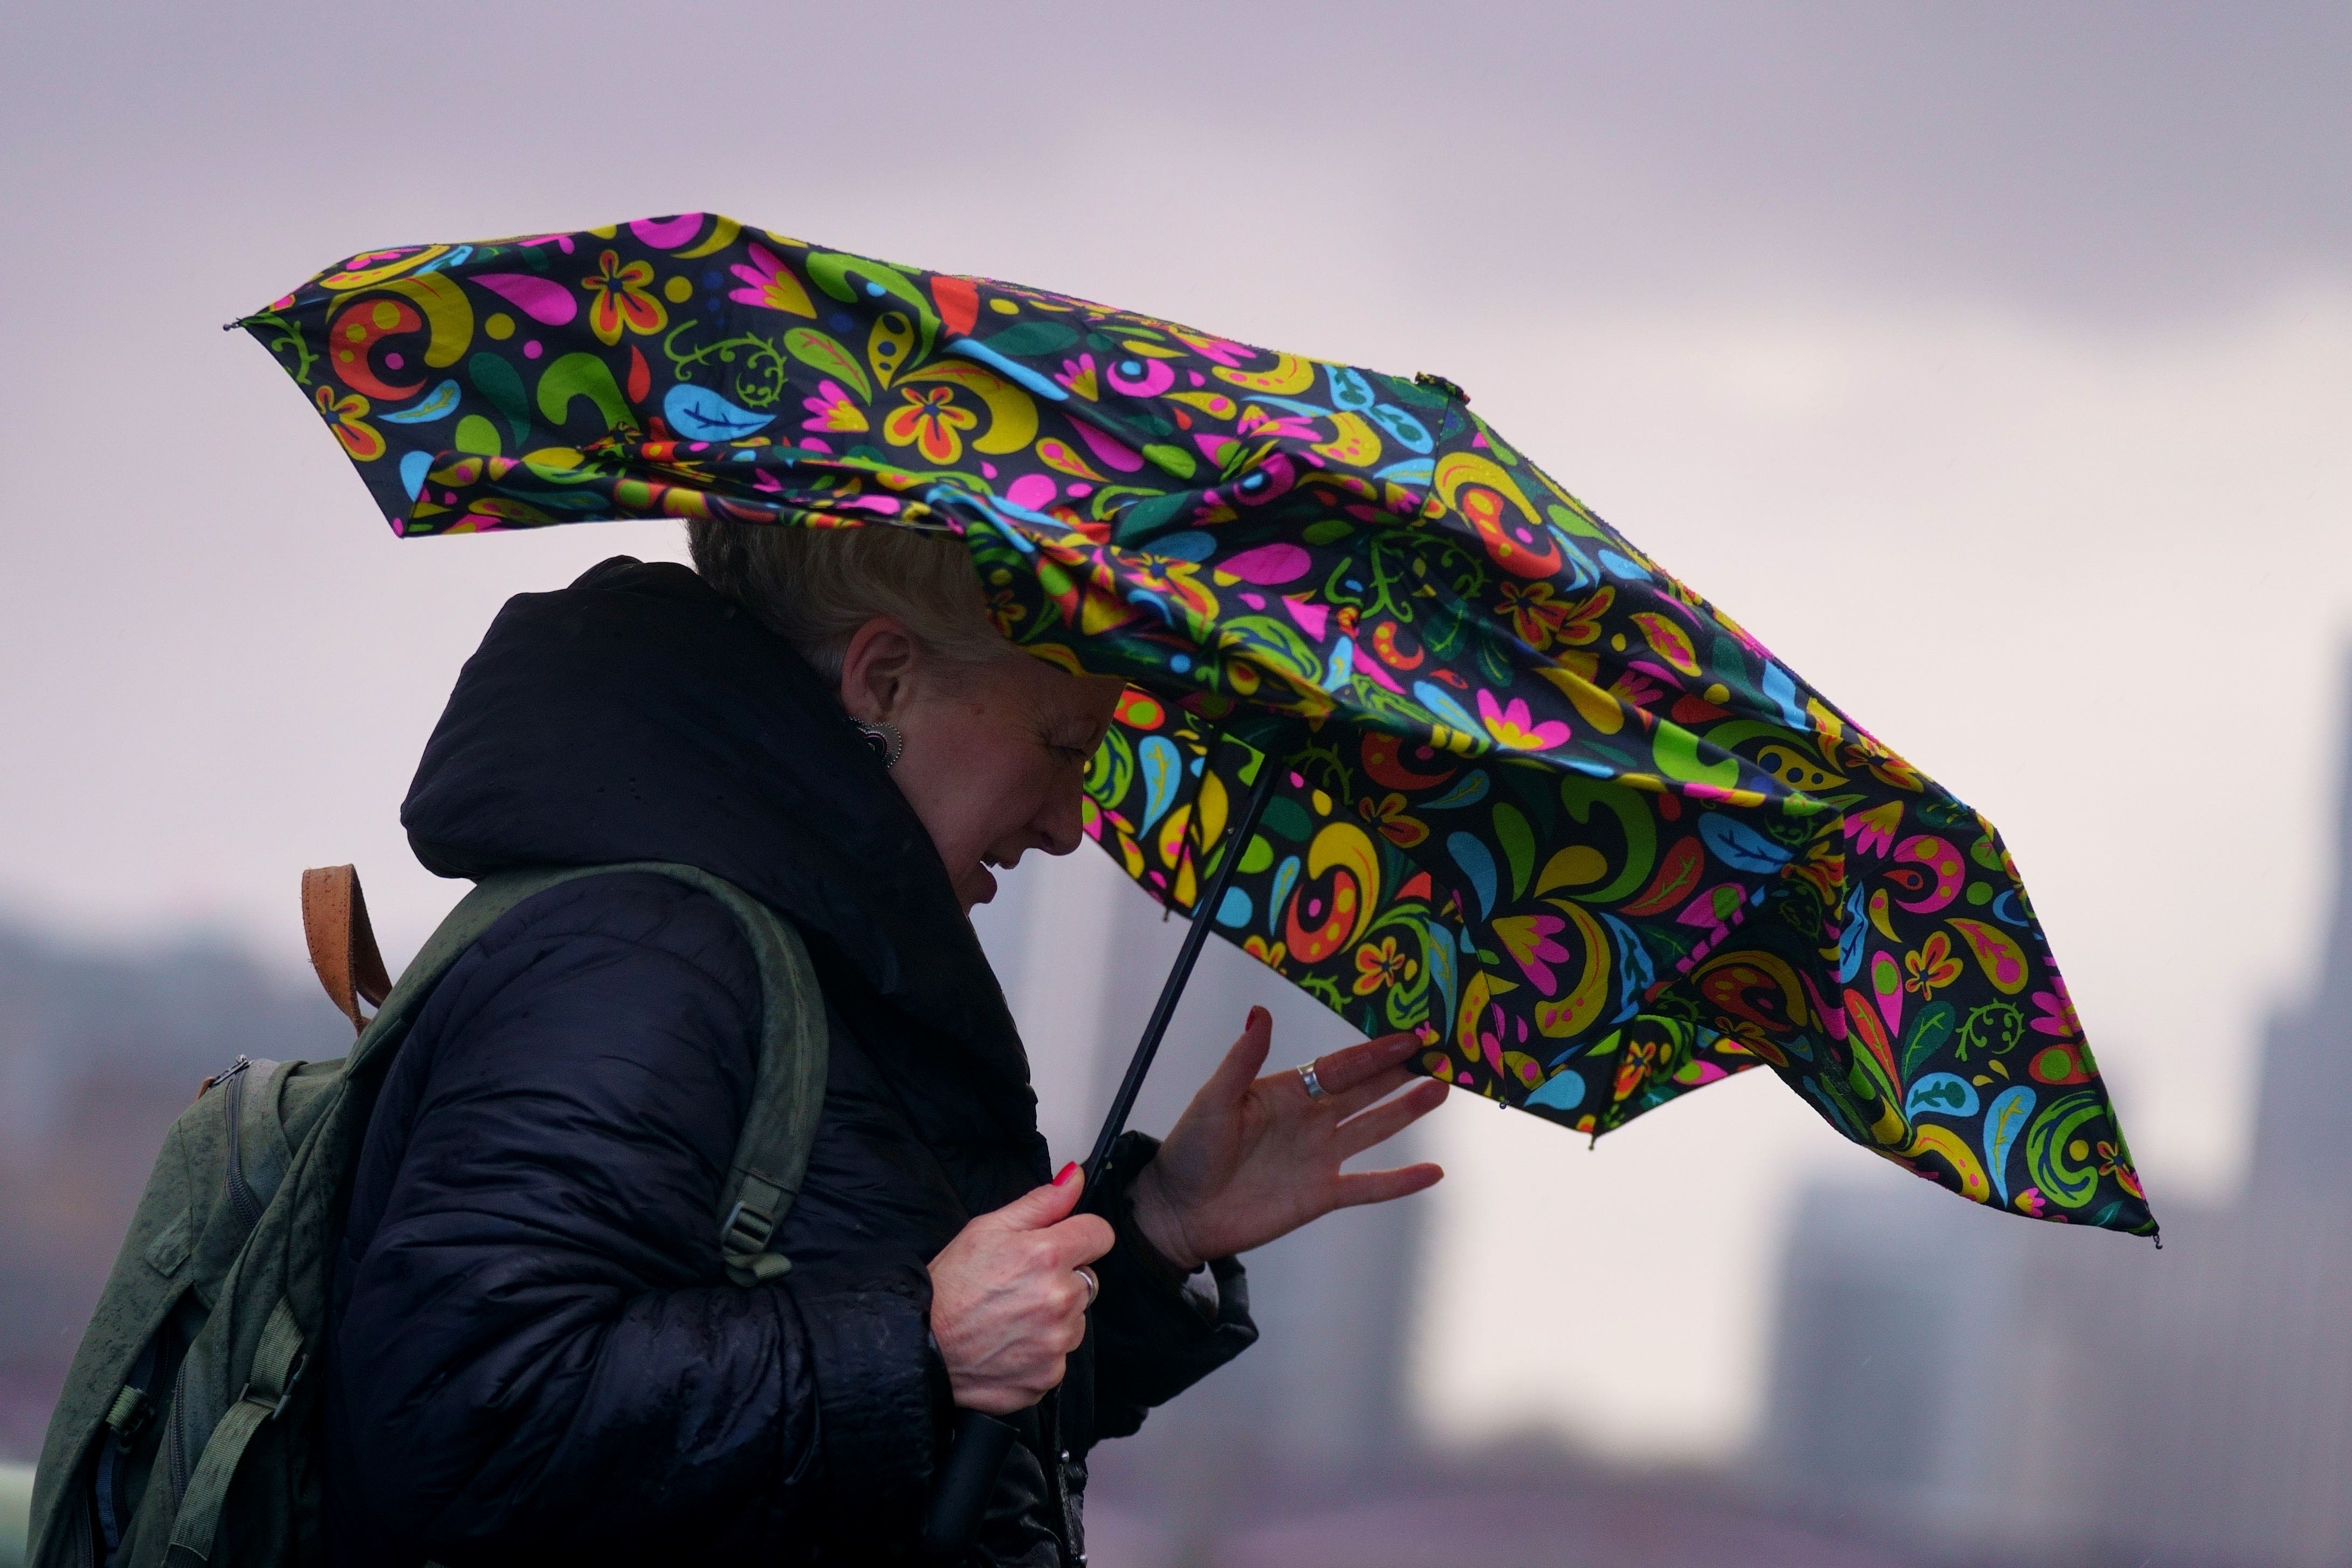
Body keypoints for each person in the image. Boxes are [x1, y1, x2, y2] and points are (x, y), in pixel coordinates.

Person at [322, 521, 1449, 1566]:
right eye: (1062, 747)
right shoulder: (648, 956)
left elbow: (887, 1450)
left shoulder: (821, 966)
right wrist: (917, 1342)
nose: (1068, 824)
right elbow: (461, 1413)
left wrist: (1154, 1232)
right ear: (885, 679)